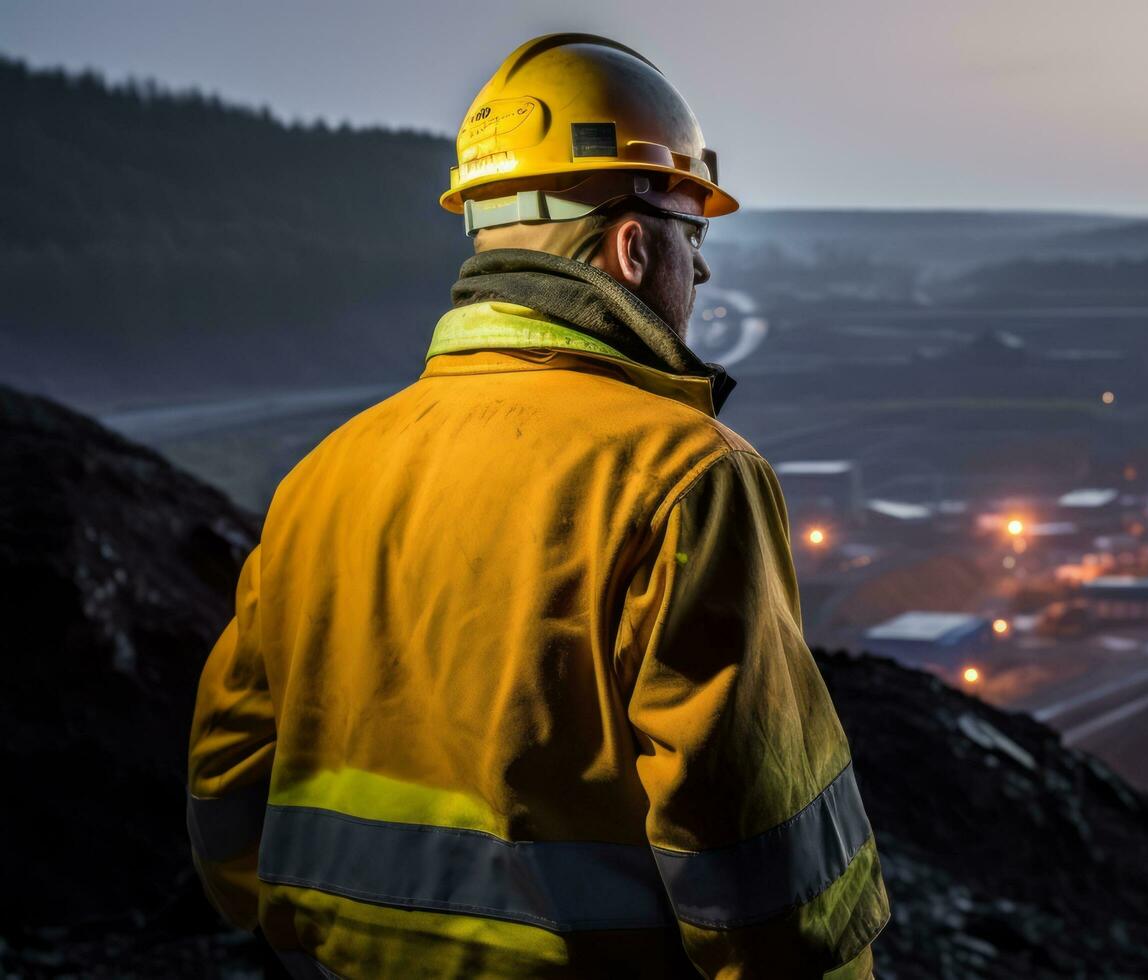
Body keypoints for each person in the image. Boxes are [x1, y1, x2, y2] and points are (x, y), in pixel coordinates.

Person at [185, 33, 888, 978]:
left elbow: (227, 796)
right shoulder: (684, 476)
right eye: (694, 235)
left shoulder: (323, 475)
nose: (702, 271)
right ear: (633, 246)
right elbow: (764, 870)